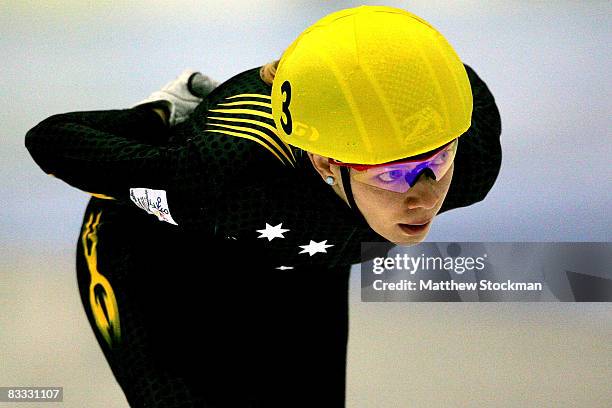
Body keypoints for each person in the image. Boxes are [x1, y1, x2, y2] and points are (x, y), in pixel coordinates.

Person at [25, 5, 501, 407]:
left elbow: (427, 64)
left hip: (302, 265)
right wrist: (156, 120)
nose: (423, 194)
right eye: (389, 174)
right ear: (326, 163)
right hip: (159, 261)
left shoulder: (471, 158)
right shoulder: (231, 175)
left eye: (438, 160)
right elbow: (50, 139)